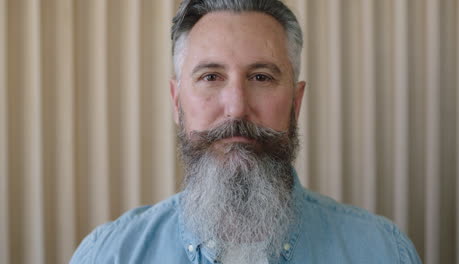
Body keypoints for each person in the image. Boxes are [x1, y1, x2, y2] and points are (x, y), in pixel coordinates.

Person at [70, 0, 422, 263]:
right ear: (177, 102)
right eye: (211, 77)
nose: (237, 107)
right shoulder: (109, 254)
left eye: (261, 77)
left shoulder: (383, 251)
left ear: (295, 103)